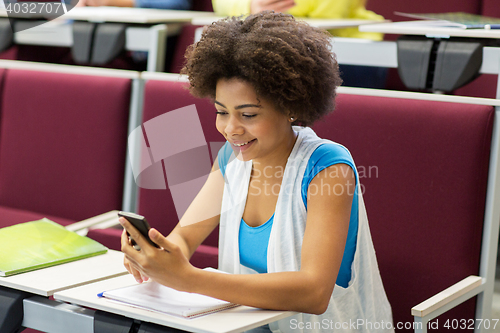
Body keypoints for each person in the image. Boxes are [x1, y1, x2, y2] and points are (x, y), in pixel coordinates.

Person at [119, 12, 393, 333]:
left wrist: (189, 279)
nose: (231, 129)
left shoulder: (328, 168)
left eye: (247, 114)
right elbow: (183, 238)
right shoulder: (230, 160)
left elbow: (314, 293)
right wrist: (154, 257)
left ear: (291, 106)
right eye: (222, 112)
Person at [211, 0, 387, 89]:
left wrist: (275, 10)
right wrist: (250, 5)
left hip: (349, 49)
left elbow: (330, 10)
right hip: (271, 41)